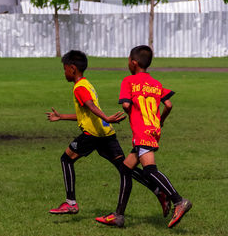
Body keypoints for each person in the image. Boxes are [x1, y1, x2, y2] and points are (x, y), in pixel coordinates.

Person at [47, 50, 170, 222]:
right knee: (125, 168)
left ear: (72, 68)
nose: (64, 72)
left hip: (92, 135)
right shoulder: (86, 84)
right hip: (106, 134)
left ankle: (70, 202)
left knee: (66, 159)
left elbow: (90, 106)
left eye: (65, 68)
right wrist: (62, 117)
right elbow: (87, 114)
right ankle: (159, 191)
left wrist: (105, 117)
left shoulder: (80, 87)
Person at [95, 45, 192, 228]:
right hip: (153, 130)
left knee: (149, 170)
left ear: (133, 63)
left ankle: (179, 201)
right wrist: (160, 120)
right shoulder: (155, 83)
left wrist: (135, 115)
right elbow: (169, 104)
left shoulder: (129, 81)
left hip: (141, 132)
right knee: (125, 169)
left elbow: (125, 105)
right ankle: (118, 216)